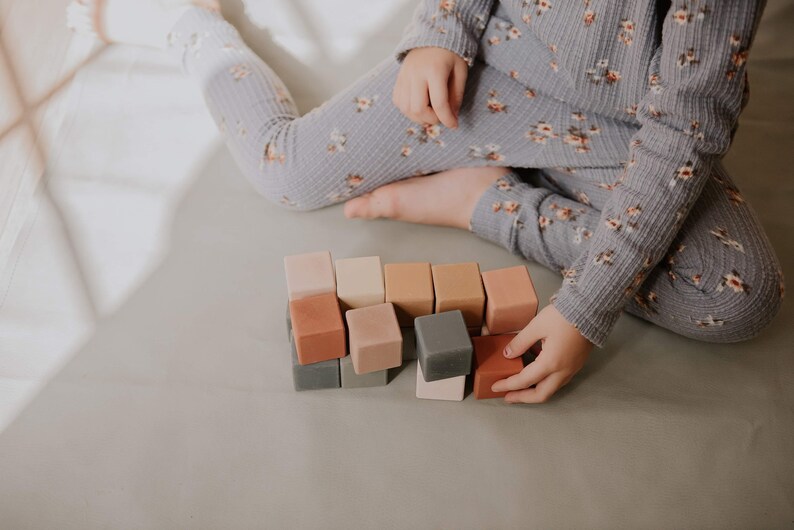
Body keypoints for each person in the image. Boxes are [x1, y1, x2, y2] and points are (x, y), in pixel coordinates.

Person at [67, 0, 784, 403]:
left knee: (739, 294)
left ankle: (481, 198)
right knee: (284, 171)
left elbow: (686, 128)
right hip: (486, 75)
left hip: (625, 132)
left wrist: (583, 305)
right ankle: (192, 25)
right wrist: (444, 30)